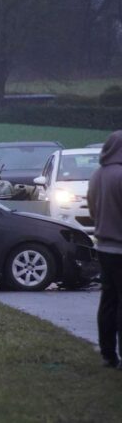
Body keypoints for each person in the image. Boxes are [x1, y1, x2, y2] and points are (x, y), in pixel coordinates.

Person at [87, 130, 122, 368]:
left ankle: (107, 353)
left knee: (108, 300)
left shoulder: (98, 175)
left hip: (104, 248)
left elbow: (91, 210)